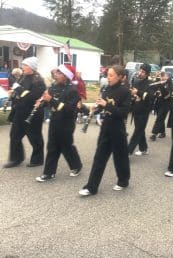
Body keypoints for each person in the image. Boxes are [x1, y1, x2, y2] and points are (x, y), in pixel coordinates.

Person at [79, 65, 131, 196]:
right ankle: (91, 187)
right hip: (106, 127)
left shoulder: (125, 91)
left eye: (111, 75)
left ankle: (123, 180)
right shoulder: (106, 88)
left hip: (118, 129)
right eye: (108, 75)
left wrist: (106, 105)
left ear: (120, 77)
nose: (108, 77)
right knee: (99, 158)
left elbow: (123, 113)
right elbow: (102, 108)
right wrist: (94, 109)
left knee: (120, 157)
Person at [35, 64, 82, 182]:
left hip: (66, 123)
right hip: (55, 121)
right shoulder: (53, 87)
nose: (56, 75)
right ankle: (49, 173)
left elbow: (69, 109)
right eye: (56, 72)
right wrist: (41, 102)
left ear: (66, 76)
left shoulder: (73, 90)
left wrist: (51, 100)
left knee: (66, 146)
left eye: (59, 73)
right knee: (52, 146)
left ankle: (76, 165)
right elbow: (48, 102)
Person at [3, 57, 46, 168]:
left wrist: (18, 89)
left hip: (33, 113)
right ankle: (16, 159)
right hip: (20, 111)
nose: (22, 67)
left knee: (34, 137)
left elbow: (32, 97)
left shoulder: (38, 80)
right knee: (14, 135)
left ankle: (37, 159)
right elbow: (19, 93)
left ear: (31, 67)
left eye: (25, 65)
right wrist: (12, 94)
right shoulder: (23, 77)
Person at [128, 63, 152, 156]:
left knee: (137, 131)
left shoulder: (150, 84)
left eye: (143, 72)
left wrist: (137, 92)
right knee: (140, 130)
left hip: (144, 111)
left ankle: (128, 151)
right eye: (140, 70)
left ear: (147, 74)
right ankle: (143, 148)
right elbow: (132, 94)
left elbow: (149, 97)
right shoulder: (136, 81)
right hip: (136, 110)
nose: (140, 73)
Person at [149, 72, 173, 141]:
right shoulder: (160, 82)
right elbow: (153, 88)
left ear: (167, 76)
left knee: (159, 118)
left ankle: (154, 134)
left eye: (163, 76)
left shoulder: (170, 84)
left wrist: (161, 86)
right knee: (160, 118)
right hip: (158, 102)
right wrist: (156, 78)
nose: (162, 77)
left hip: (166, 103)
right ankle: (162, 132)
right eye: (161, 76)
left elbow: (167, 94)